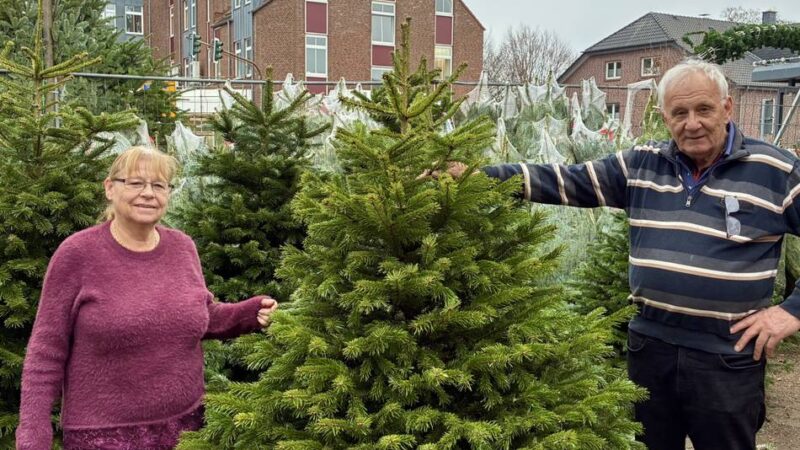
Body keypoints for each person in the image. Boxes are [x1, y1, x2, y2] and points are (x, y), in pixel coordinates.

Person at [448, 59, 800, 450]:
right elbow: (567, 180)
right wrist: (482, 179)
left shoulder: (774, 170)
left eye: (704, 109)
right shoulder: (642, 164)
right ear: (665, 117)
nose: (692, 123)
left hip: (726, 355)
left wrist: (790, 311)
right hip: (651, 348)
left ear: (727, 108)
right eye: (679, 113)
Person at [16, 146, 279, 449]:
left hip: (186, 427)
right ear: (110, 188)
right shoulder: (78, 254)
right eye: (136, 183)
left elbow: (200, 315)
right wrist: (33, 435)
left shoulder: (182, 247)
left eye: (158, 185)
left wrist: (250, 313)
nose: (148, 193)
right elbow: (46, 352)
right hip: (103, 435)